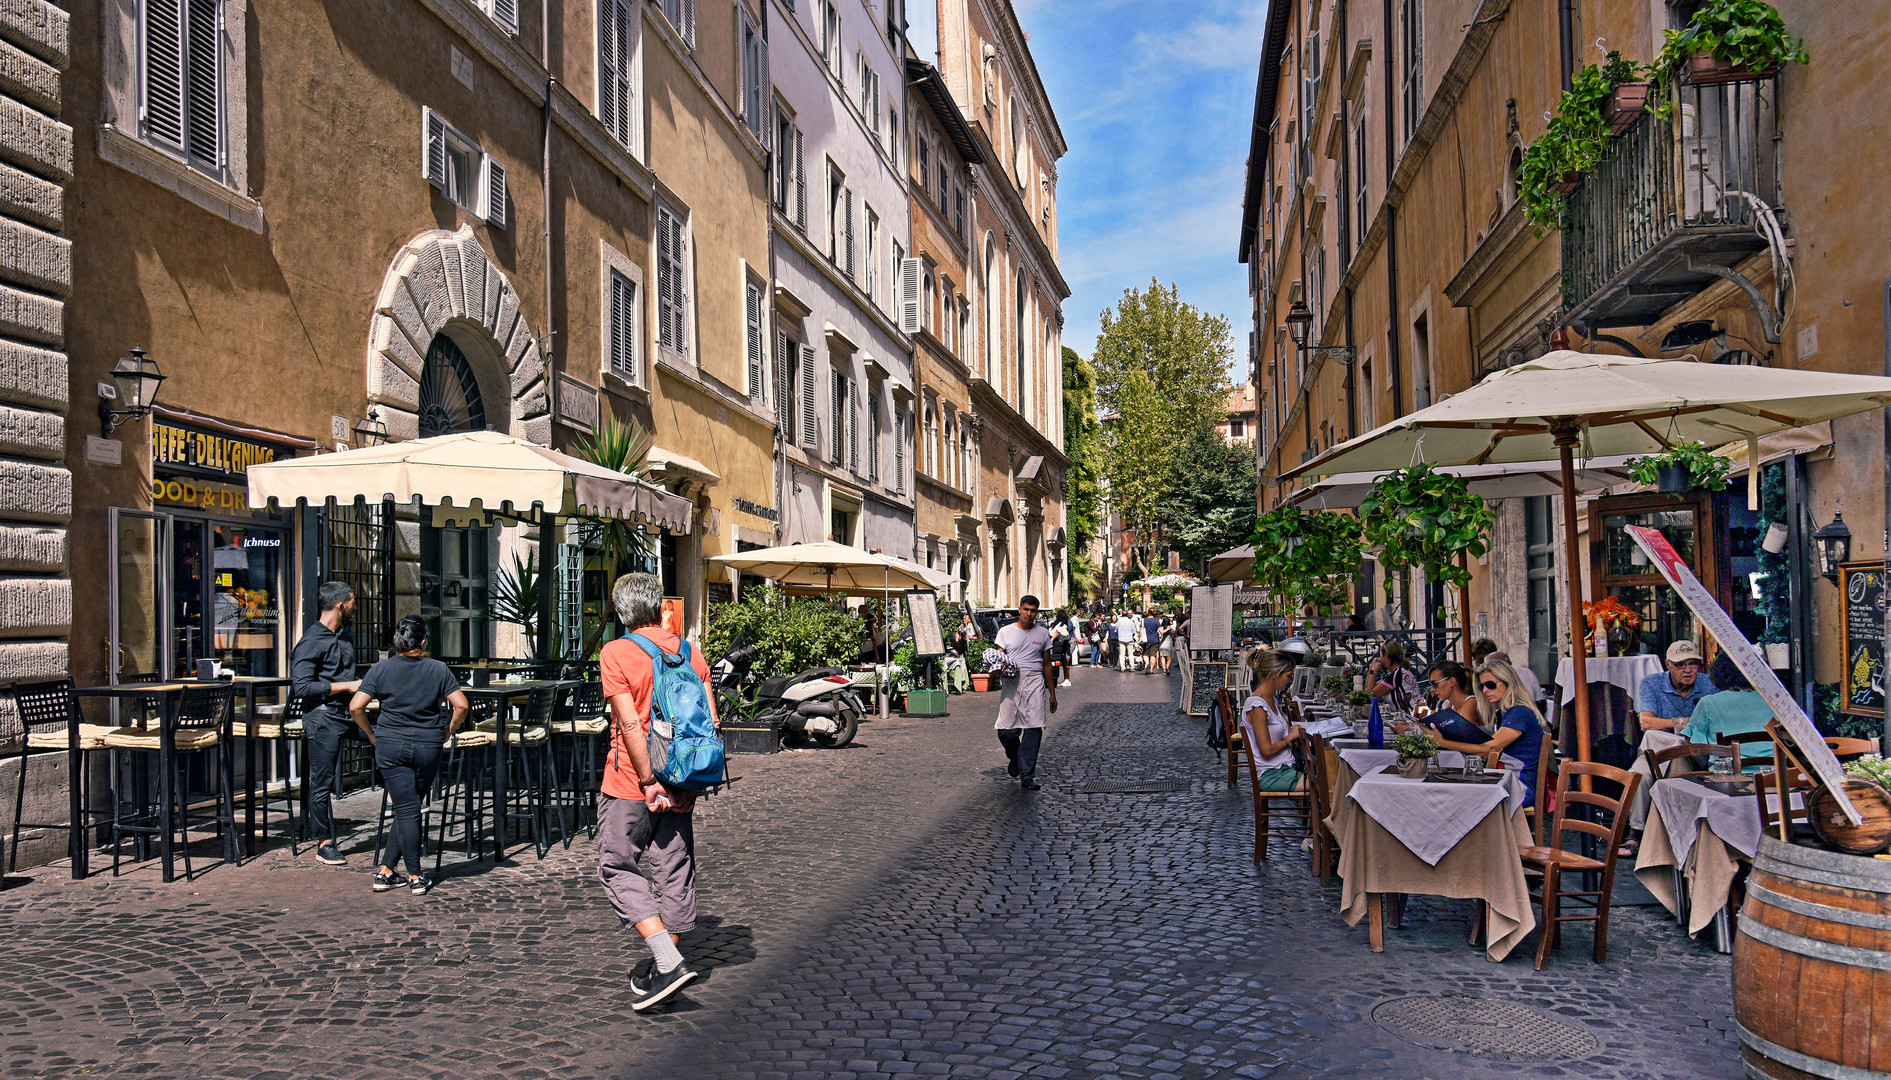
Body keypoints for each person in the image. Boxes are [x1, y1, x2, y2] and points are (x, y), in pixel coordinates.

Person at [597, 572, 720, 1011]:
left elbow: (630, 723)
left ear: (622, 612)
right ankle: (664, 961)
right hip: (684, 776)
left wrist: (648, 781)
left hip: (633, 781)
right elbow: (711, 720)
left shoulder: (616, 652)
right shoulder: (690, 652)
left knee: (617, 865)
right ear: (657, 607)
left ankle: (667, 961)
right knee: (674, 868)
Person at [347, 616, 467, 896]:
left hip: (390, 744)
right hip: (427, 745)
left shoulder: (381, 669)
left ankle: (387, 871)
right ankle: (414, 875)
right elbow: (461, 705)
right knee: (409, 808)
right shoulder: (438, 669)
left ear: (397, 641)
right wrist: (449, 729)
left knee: (405, 808)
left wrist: (371, 733)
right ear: (424, 640)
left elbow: (356, 706)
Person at [289, 582, 363, 866]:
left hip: (348, 713)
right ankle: (323, 842)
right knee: (322, 782)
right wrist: (347, 686)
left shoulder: (344, 637)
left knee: (388, 741)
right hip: (321, 716)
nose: (355, 606)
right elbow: (302, 687)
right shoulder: (311, 641)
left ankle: (401, 807)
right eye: (353, 601)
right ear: (341, 605)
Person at [994, 594, 1058, 790]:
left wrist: (1052, 693)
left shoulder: (1043, 634)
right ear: (1019, 609)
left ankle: (1027, 776)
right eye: (1026, 609)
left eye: (1033, 611)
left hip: (1035, 682)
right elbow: (998, 658)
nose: (1029, 614)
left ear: (1036, 612)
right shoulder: (1005, 632)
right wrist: (998, 670)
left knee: (1033, 728)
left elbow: (1047, 664)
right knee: (1006, 730)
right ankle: (1016, 756)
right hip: (1012, 682)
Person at [1472, 659, 1549, 805]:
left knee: (1465, 800)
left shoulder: (1519, 713)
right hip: (1508, 782)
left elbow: (1486, 750)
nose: (1485, 690)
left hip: (1519, 788)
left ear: (1508, 682)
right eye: (1482, 686)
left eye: (1490, 685)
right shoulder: (1505, 712)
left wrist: (1443, 742)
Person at [1242, 649, 1307, 792]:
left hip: (1284, 768)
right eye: (1289, 676)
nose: (1291, 681)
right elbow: (1266, 751)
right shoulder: (1257, 706)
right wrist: (1290, 737)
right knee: (1329, 784)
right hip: (1272, 774)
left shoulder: (1271, 700)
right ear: (1275, 674)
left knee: (1333, 779)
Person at [1681, 651, 1772, 754]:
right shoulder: (1773, 701)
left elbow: (1693, 744)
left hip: (1727, 768)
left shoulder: (1708, 703)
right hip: (1774, 768)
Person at [1637, 640, 1718, 732]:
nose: (1688, 670)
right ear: (1668, 665)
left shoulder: (1711, 682)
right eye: (1680, 665)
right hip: (1664, 744)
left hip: (1702, 743)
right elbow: (1645, 722)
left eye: (1692, 664)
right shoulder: (1652, 683)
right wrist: (1686, 722)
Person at [1419, 660, 1491, 750]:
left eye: (1435, 684)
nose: (1432, 689)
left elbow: (1461, 739)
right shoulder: (1451, 705)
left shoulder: (1471, 702)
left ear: (1452, 681)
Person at [1471, 637, 1544, 707]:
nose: (1485, 690)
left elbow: (1540, 701)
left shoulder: (1525, 674)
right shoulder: (1476, 680)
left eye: (1491, 684)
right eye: (1481, 661)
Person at [1367, 639, 1421, 714]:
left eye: (1380, 655)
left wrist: (1374, 671)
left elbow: (1370, 696)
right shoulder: (1400, 671)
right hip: (1411, 714)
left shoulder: (1396, 675)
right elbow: (1369, 691)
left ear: (1385, 656)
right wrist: (1371, 669)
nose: (1379, 658)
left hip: (1409, 717)